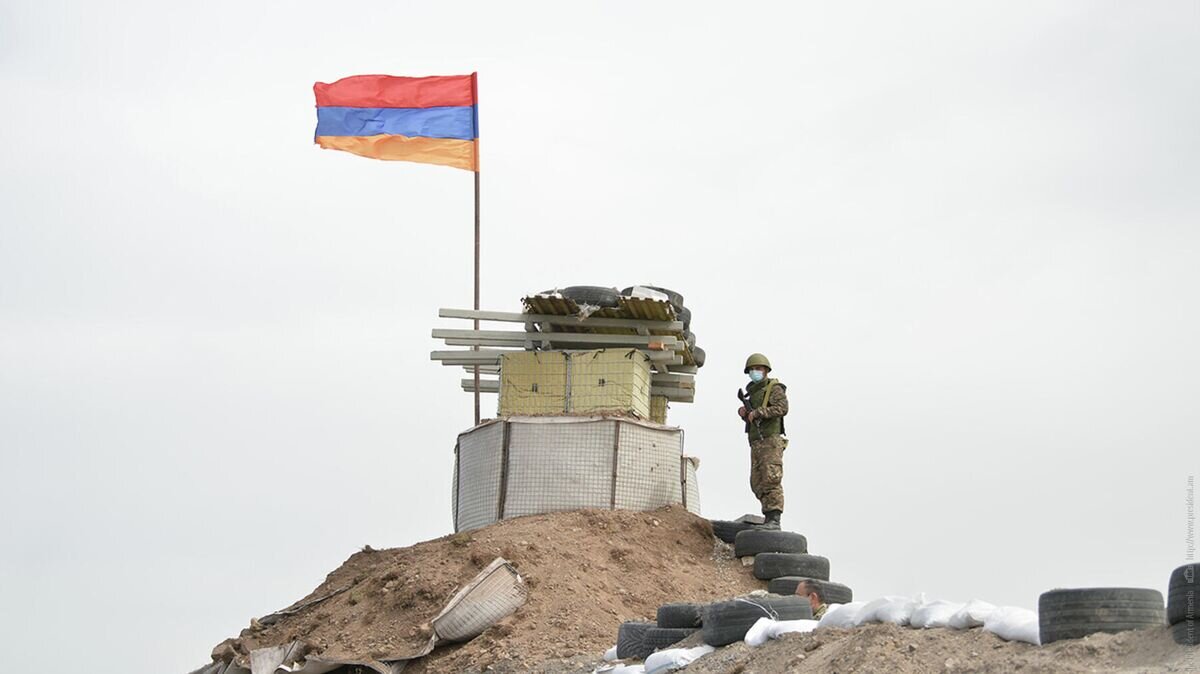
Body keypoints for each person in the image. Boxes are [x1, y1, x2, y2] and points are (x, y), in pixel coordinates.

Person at [737, 353, 789, 530]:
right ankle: (768, 517)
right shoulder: (753, 392)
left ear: (766, 370)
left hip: (770, 440)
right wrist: (746, 415)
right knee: (757, 481)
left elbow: (782, 408)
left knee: (771, 478)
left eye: (758, 369)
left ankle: (774, 519)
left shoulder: (773, 388)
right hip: (757, 442)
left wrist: (758, 412)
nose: (754, 372)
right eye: (751, 370)